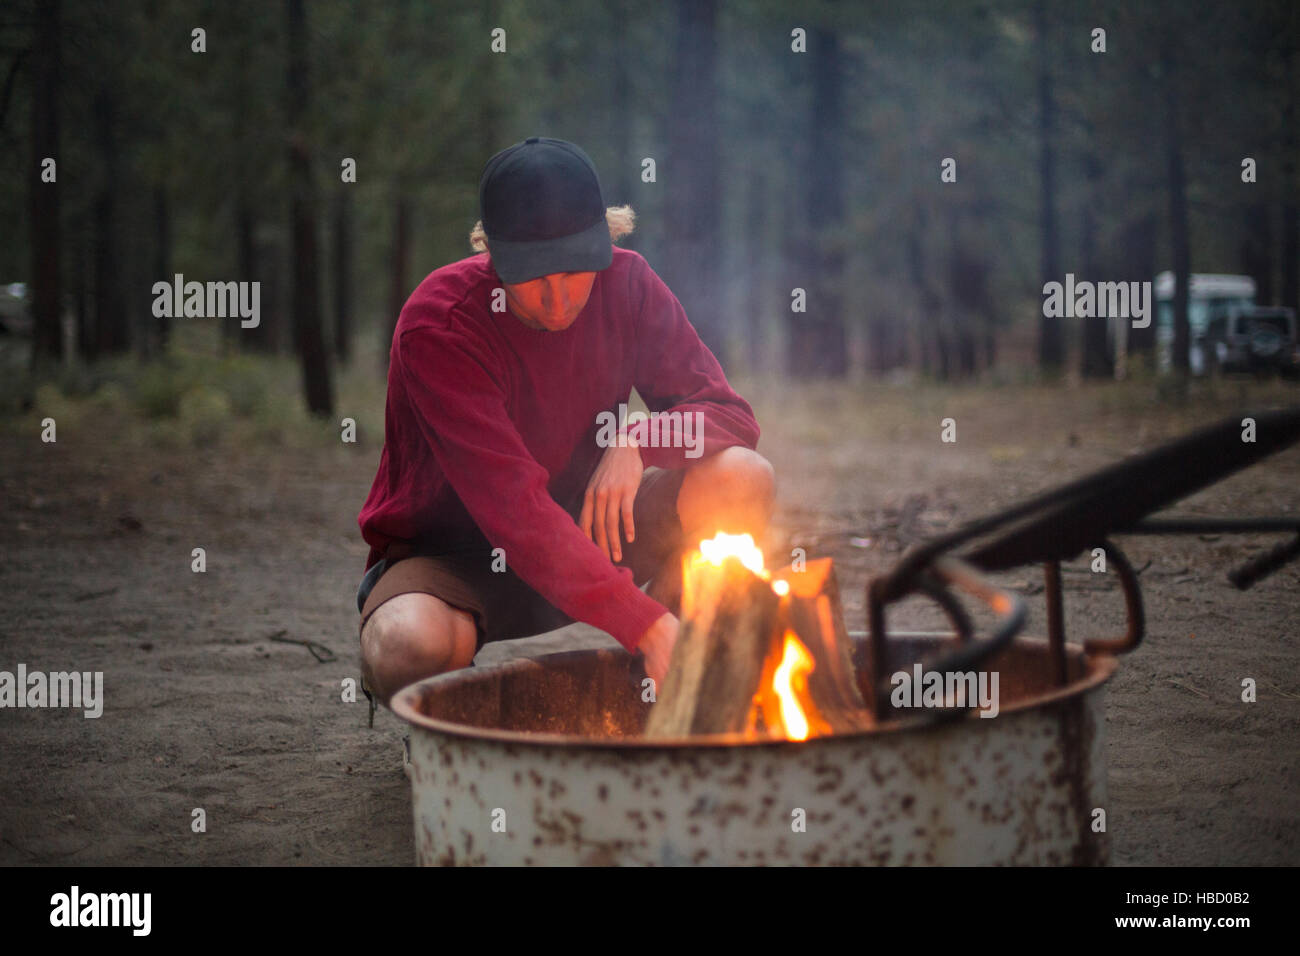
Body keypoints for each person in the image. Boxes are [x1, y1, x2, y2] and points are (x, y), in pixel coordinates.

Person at [355, 136, 774, 710]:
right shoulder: (440, 324)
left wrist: (639, 439)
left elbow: (729, 415)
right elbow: (515, 510)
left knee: (742, 477)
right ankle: (443, 710)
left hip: (593, 529)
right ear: (490, 251)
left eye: (576, 270)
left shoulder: (629, 284)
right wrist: (640, 621)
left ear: (608, 238)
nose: (558, 301)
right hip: (455, 560)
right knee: (408, 645)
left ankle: (657, 687)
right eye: (532, 276)